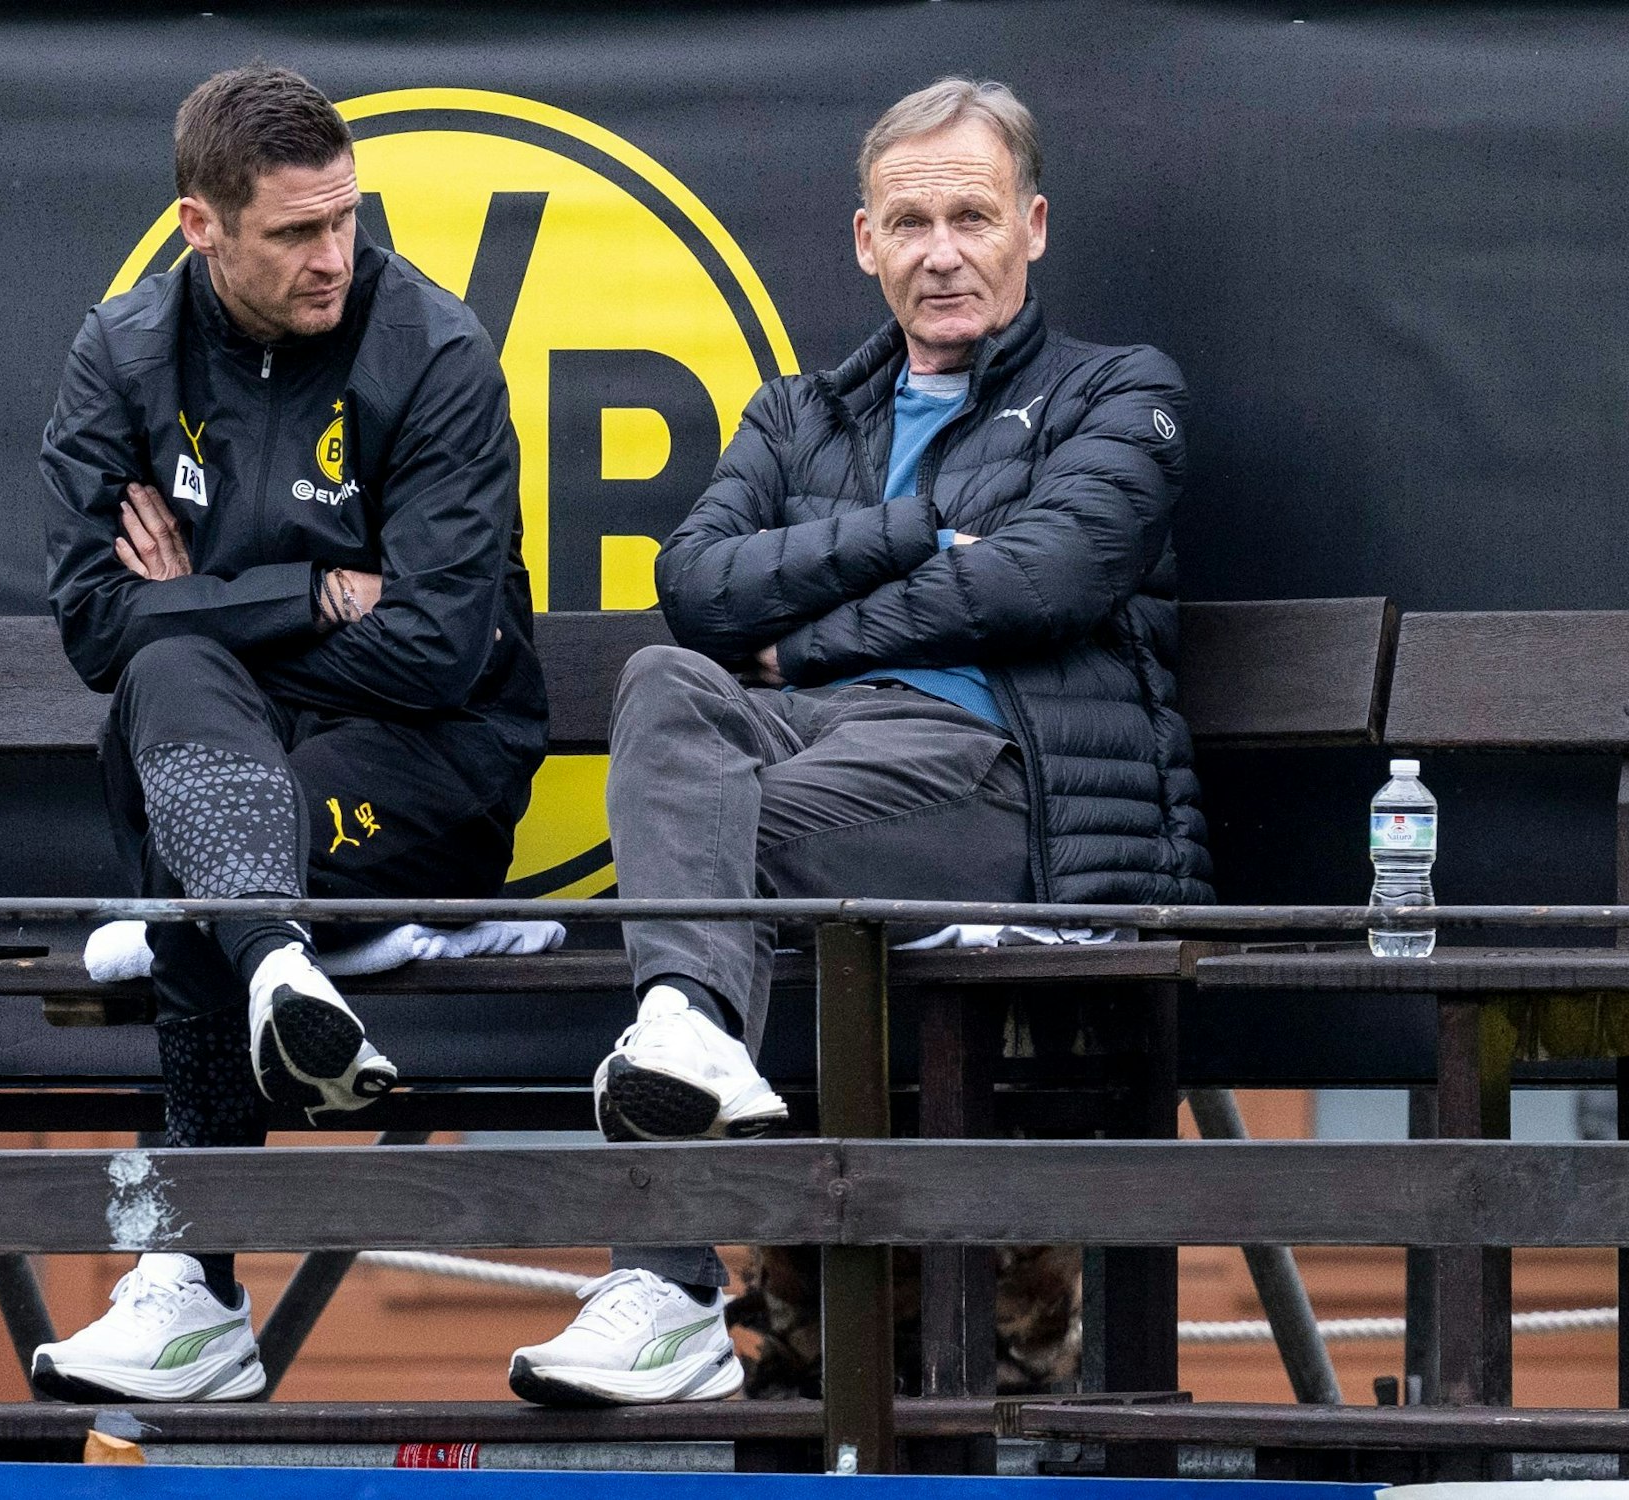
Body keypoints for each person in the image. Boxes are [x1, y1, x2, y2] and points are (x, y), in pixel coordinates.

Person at [508, 76, 1213, 1407]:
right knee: (665, 682)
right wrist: (910, 528)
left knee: (709, 845)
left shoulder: (1120, 394)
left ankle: (660, 1282)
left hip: (1001, 791)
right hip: (819, 765)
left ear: (1034, 227)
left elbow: (1045, 580)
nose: (942, 250)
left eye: (971, 215)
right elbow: (701, 590)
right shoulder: (798, 416)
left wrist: (811, 639)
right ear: (863, 242)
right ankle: (679, 1080)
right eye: (910, 221)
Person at [34, 63, 546, 1403]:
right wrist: (315, 588)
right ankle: (280, 958)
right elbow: (97, 627)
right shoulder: (125, 351)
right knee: (173, 686)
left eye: (348, 222)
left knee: (192, 746)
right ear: (200, 225)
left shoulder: (432, 348)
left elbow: (439, 648)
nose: (336, 257)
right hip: (231, 751)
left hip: (422, 767)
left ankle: (193, 1289)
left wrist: (195, 599)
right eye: (296, 233)